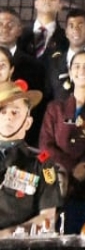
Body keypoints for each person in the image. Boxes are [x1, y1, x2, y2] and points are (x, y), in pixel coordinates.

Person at [39, 51, 85, 231]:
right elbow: (45, 145)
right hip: (57, 182)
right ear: (70, 72)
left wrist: (84, 169)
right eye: (76, 66)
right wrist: (71, 167)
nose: (82, 71)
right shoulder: (55, 107)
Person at [0, 81, 61, 236]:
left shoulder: (41, 163)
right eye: (2, 111)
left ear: (27, 123)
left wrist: (8, 234)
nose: (8, 117)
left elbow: (48, 217)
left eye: (15, 112)